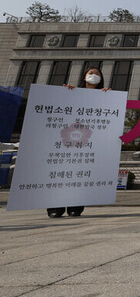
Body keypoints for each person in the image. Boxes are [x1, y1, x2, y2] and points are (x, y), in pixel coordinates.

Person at [47, 67, 110, 218]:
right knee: (61, 172)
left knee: (80, 174)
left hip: (88, 140)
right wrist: (65, 93)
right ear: (84, 76)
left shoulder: (105, 95)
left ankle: (75, 206)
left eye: (97, 74)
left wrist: (109, 97)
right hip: (68, 138)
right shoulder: (72, 91)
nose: (93, 76)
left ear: (101, 79)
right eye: (91, 73)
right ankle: (55, 206)